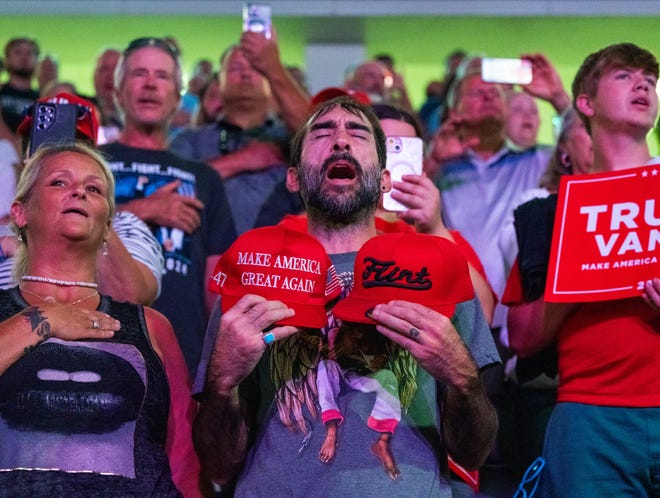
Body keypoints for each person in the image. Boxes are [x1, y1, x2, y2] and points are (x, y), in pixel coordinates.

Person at [193, 96, 499, 496]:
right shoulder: (251, 268)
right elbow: (218, 463)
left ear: (385, 180)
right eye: (322, 132)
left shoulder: (437, 268)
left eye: (357, 133)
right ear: (294, 178)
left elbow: (472, 453)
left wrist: (463, 379)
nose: (340, 141)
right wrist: (221, 384)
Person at [0, 142, 200, 497]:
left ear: (108, 225)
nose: (78, 191)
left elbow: (184, 455)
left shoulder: (150, 325)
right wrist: (43, 317)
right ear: (19, 213)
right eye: (59, 183)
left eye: (94, 189)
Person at [504, 43, 660, 497]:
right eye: (624, 76)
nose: (642, 84)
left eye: (649, 80)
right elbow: (521, 337)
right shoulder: (550, 215)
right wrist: (570, 286)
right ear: (586, 104)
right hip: (590, 419)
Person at [100, 37, 236, 374]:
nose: (149, 84)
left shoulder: (203, 177)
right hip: (95, 340)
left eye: (162, 76)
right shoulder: (89, 163)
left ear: (178, 97)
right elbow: (53, 236)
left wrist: (217, 363)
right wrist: (143, 210)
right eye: (138, 74)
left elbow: (217, 282)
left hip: (181, 352)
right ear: (117, 92)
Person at [169, 27, 309, 234]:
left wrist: (273, 66)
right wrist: (244, 159)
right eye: (235, 68)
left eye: (255, 68)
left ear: (269, 79)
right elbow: (169, 189)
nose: (245, 73)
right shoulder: (190, 139)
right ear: (218, 83)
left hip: (282, 257)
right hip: (208, 259)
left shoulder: (289, 138)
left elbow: (317, 130)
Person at [0, 37, 40, 133]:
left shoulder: (42, 98)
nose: (24, 57)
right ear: (7, 59)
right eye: (18, 52)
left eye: (29, 53)